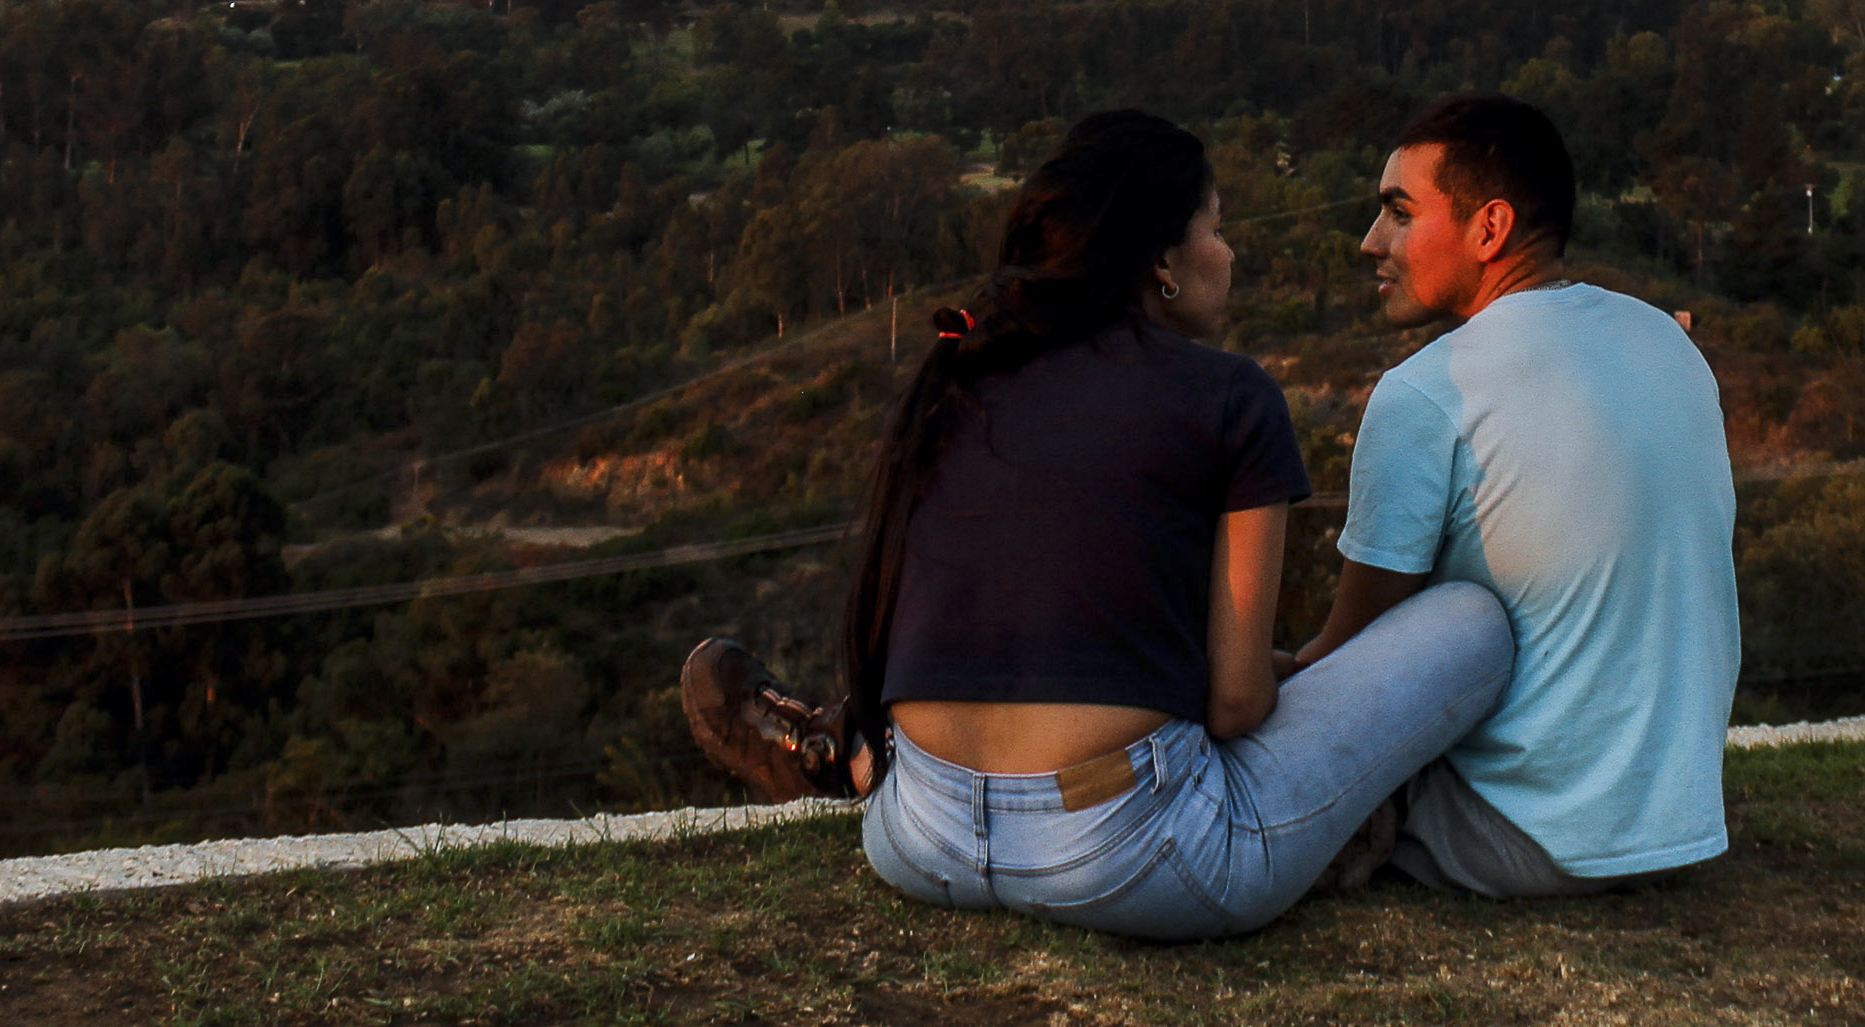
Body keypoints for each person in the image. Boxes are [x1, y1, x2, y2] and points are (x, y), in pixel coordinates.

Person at [681, 109, 1513, 940]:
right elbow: (1233, 704)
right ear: (1162, 260)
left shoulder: (960, 369)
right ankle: (1365, 829)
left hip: (917, 840)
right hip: (1129, 856)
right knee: (1471, 622)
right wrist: (1281, 671)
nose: (1231, 251)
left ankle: (854, 754)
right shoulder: (1232, 396)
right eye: (1217, 228)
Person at [1294, 93, 1739, 895]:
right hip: (1681, 827)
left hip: (1519, 836)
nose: (1371, 242)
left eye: (1399, 211)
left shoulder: (1426, 393)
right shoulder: (1669, 341)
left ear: (1490, 229)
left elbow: (1347, 661)